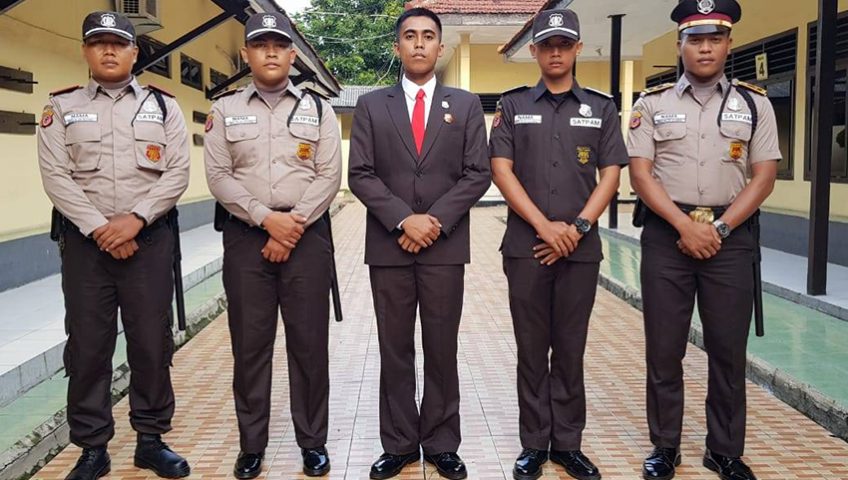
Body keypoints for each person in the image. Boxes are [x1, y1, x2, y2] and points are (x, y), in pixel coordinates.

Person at [627, 1, 780, 479]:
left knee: (728, 351)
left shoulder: (755, 104)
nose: (706, 48)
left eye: (715, 38)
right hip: (666, 236)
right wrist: (683, 225)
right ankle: (665, 447)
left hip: (729, 238)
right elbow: (641, 174)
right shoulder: (651, 104)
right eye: (696, 40)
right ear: (681, 46)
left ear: (729, 44)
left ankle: (724, 451)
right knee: (664, 349)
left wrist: (719, 228)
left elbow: (764, 176)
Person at [37, 10, 191, 480]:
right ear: (86, 50)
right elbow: (55, 176)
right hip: (87, 247)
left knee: (151, 342)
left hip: (149, 240)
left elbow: (178, 173)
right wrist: (100, 229)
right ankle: (92, 447)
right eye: (98, 42)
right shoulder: (61, 107)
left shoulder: (164, 106)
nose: (109, 50)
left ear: (134, 52)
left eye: (119, 43)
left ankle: (151, 440)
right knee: (88, 346)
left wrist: (135, 220)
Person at [347, 7, 491, 480]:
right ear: (397, 47)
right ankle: (400, 444)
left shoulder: (465, 105)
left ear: (440, 47)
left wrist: (434, 222)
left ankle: (443, 442)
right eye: (410, 36)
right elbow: (360, 174)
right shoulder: (372, 105)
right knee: (394, 348)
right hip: (389, 247)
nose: (419, 43)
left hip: (444, 248)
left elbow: (477, 173)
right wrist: (403, 220)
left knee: (441, 346)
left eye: (428, 36)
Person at [489, 8, 628, 480]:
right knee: (532, 349)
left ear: (577, 49)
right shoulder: (512, 105)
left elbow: (610, 175)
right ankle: (533, 444)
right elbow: (501, 170)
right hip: (526, 249)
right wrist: (545, 228)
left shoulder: (602, 108)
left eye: (564, 44)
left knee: (570, 348)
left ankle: (567, 444)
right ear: (533, 51)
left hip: (580, 251)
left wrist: (578, 228)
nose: (555, 52)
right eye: (547, 45)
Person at [203, 11, 342, 479]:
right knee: (250, 346)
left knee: (309, 345)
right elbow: (218, 176)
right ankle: (251, 445)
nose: (270, 53)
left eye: (279, 45)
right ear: (247, 53)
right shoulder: (224, 110)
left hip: (306, 238)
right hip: (247, 239)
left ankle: (313, 442)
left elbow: (329, 175)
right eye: (261, 45)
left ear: (292, 54)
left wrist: (291, 225)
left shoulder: (318, 109)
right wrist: (266, 220)